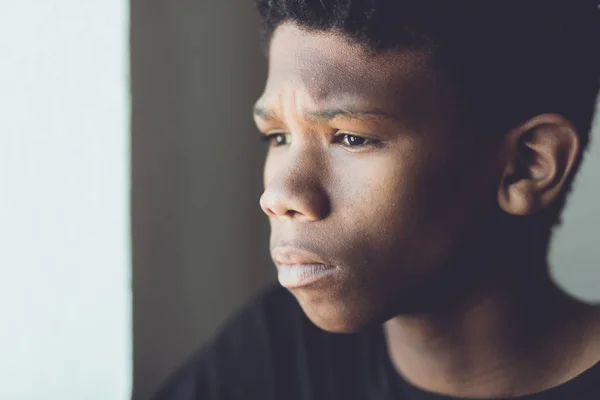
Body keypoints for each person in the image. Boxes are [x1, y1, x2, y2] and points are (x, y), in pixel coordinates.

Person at [152, 1, 600, 399]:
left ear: (527, 166)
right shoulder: (284, 348)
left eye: (351, 138)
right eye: (278, 136)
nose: (280, 196)